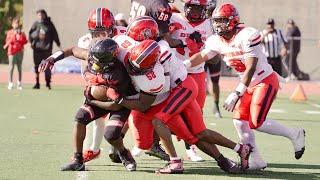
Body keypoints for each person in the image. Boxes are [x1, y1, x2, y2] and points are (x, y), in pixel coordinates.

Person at [114, 17, 253, 174]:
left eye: (135, 36)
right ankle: (238, 150)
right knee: (198, 133)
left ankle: (175, 162)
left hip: (179, 89)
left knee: (160, 121)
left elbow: (161, 88)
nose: (132, 40)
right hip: (176, 90)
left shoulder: (160, 52)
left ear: (145, 35)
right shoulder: (133, 45)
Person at [184, 3, 306, 170]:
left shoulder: (247, 35)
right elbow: (202, 56)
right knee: (239, 121)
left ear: (233, 21)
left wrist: (237, 93)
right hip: (248, 83)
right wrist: (184, 65)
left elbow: (251, 67)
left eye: (223, 21)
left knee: (256, 121)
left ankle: (294, 133)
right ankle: (256, 160)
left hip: (264, 80)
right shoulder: (215, 40)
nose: (218, 25)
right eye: (216, 21)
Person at [39, 39, 138, 172]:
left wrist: (94, 102)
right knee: (80, 118)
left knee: (111, 135)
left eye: (99, 62)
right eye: (93, 59)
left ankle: (124, 154)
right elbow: (72, 50)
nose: (94, 64)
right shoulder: (92, 57)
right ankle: (77, 160)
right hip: (96, 101)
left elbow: (115, 106)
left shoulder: (119, 74)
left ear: (110, 60)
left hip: (118, 103)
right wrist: (51, 59)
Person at [77, 7, 127, 164]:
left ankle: (117, 148)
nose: (100, 36)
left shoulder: (124, 34)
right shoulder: (85, 41)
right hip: (99, 81)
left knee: (126, 117)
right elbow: (84, 68)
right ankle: (93, 149)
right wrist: (91, 78)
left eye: (104, 31)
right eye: (96, 32)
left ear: (112, 28)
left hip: (122, 81)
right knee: (96, 116)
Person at [29, 9, 60, 89]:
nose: (40, 16)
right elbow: (30, 35)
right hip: (37, 49)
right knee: (37, 66)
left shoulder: (49, 24)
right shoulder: (35, 24)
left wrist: (57, 42)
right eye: (39, 15)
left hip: (47, 49)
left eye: (42, 15)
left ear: (45, 15)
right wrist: (33, 40)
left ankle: (48, 83)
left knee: (47, 66)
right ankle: (37, 83)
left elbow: (54, 33)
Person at [3, 17, 27, 90]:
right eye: (15, 23)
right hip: (12, 52)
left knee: (19, 68)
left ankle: (19, 83)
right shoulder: (10, 32)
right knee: (11, 67)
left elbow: (25, 41)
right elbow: (8, 41)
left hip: (19, 52)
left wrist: (21, 36)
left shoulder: (22, 32)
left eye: (18, 23)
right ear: (12, 24)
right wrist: (14, 35)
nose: (16, 24)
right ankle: (10, 83)